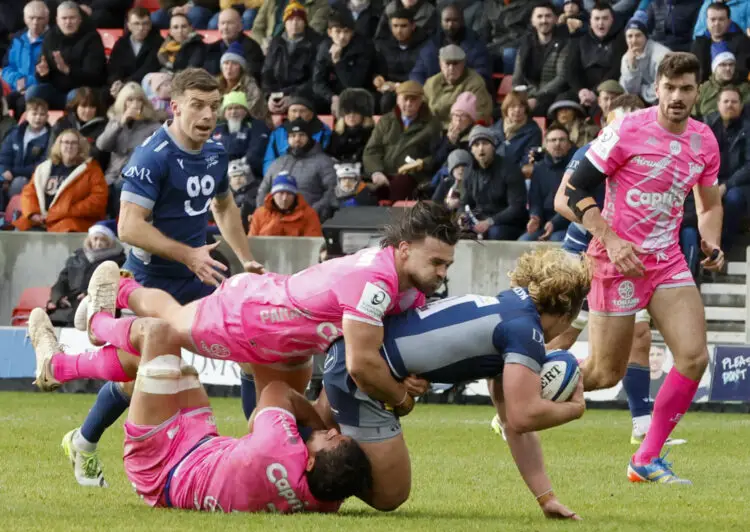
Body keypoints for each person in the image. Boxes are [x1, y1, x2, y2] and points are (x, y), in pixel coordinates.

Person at [35, 202, 458, 482]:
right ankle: (101, 322)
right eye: (436, 261)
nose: (442, 272)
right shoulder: (378, 279)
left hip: (289, 339)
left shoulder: (407, 286)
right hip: (253, 318)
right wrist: (401, 398)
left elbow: (384, 350)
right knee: (165, 331)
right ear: (404, 250)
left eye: (446, 264)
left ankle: (99, 321)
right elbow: (361, 362)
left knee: (290, 431)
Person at [59, 68, 263, 488]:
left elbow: (223, 206)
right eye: (198, 106)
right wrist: (187, 253)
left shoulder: (215, 153)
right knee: (140, 377)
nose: (208, 115)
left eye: (213, 106)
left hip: (197, 271)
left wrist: (246, 258)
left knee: (249, 348)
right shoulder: (152, 156)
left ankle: (259, 449)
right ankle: (83, 440)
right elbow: (130, 227)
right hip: (150, 280)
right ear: (175, 106)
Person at [320, 247, 591, 512]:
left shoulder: (513, 306)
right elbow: (523, 416)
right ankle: (297, 486)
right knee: (390, 495)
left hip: (349, 356)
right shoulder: (525, 332)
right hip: (362, 375)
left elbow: (512, 422)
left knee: (314, 430)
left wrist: (546, 498)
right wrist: (574, 409)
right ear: (567, 313)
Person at [29, 307, 371, 512]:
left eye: (329, 439)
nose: (331, 431)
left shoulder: (279, 449)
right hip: (201, 448)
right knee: (167, 373)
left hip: (161, 465)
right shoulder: (328, 497)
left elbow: (279, 391)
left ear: (309, 461)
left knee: (160, 336)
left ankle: (94, 324)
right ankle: (81, 435)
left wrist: (310, 422)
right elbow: (267, 425)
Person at [564, 52, 724, 483]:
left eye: (686, 88)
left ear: (697, 91)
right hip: (618, 263)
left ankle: (646, 458)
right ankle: (523, 382)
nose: (677, 97)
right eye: (669, 88)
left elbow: (708, 203)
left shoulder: (704, 141)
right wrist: (612, 241)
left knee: (693, 357)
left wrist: (711, 240)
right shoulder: (626, 129)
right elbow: (575, 188)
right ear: (657, 88)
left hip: (666, 260)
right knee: (602, 372)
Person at [14, 129, 108, 233]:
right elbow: (29, 193)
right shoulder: (44, 168)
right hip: (40, 219)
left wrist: (66, 211)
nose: (69, 146)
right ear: (59, 145)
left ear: (80, 146)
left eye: (74, 143)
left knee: (66, 230)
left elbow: (98, 199)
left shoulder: (92, 169)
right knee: (19, 229)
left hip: (71, 221)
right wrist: (33, 214)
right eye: (66, 142)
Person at [362, 80, 442, 201]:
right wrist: (376, 172)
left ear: (421, 101)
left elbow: (436, 155)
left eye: (413, 99)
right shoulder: (386, 120)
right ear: (398, 100)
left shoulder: (432, 124)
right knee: (362, 192)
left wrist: (420, 164)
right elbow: (371, 150)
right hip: (383, 174)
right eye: (405, 99)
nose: (409, 103)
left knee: (400, 185)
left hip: (413, 177)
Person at [96, 83, 165, 216]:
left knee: (123, 187)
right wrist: (120, 124)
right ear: (123, 102)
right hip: (112, 176)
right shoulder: (115, 122)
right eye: (130, 100)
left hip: (139, 177)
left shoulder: (153, 126)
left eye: (139, 100)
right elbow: (102, 145)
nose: (135, 104)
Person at [26, 1, 106, 110]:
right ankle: (38, 124)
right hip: (56, 90)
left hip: (82, 90)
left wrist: (68, 70)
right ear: (57, 20)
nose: (68, 22)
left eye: (72, 18)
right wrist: (42, 73)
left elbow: (94, 77)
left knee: (74, 96)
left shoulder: (92, 38)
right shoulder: (50, 37)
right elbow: (43, 75)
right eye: (64, 18)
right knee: (33, 92)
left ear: (80, 19)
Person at [257, 118, 337, 222]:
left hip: (309, 222)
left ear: (309, 137)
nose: (297, 139)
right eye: (293, 136)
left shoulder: (324, 162)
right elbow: (263, 190)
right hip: (275, 221)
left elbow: (332, 192)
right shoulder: (278, 162)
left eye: (302, 135)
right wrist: (266, 213)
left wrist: (311, 213)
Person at [45, 224, 126, 327]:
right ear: (89, 240)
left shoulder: (118, 261)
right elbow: (61, 281)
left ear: (110, 242)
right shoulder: (76, 259)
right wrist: (58, 298)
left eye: (103, 240)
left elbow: (115, 285)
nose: (98, 243)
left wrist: (89, 294)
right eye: (95, 239)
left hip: (96, 306)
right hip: (69, 305)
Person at [461, 125, 528, 241]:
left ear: (493, 147)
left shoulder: (510, 169)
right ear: (472, 150)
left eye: (485, 144)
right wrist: (462, 217)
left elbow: (516, 207)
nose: (481, 148)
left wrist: (490, 222)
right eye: (476, 145)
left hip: (509, 224)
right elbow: (465, 203)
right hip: (480, 221)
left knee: (495, 233)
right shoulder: (469, 172)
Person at [706, 87, 750, 256]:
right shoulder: (707, 125)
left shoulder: (747, 128)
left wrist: (726, 185)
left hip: (739, 183)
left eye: (734, 102)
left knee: (734, 198)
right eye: (726, 101)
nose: (730, 105)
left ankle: (724, 248)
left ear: (740, 105)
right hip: (711, 180)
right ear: (718, 105)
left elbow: (749, 165)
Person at [261, 3, 322, 115]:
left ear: (305, 22)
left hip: (304, 97)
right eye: (291, 19)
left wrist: (292, 97)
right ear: (285, 23)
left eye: (299, 19)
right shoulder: (276, 42)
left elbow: (315, 79)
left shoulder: (316, 43)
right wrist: (269, 97)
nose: (294, 23)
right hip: (277, 96)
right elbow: (266, 74)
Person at [312, 9, 376, 116]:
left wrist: (338, 62)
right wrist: (332, 97)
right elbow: (317, 82)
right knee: (308, 101)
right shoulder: (324, 49)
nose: (342, 36)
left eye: (346, 31)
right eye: (338, 31)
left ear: (352, 33)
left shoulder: (363, 48)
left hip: (358, 94)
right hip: (332, 94)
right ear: (329, 33)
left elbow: (354, 84)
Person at [512, 1, 571, 117]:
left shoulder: (565, 43)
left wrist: (537, 97)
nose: (544, 21)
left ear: (555, 19)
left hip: (552, 96)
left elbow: (561, 78)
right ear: (533, 21)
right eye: (539, 16)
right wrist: (520, 98)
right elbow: (517, 78)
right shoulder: (525, 44)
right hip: (528, 95)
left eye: (548, 16)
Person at [409, 3, 490, 86]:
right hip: (434, 94)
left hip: (466, 93)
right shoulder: (431, 46)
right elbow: (417, 73)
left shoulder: (476, 46)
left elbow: (482, 74)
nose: (450, 25)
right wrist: (426, 91)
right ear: (441, 22)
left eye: (455, 20)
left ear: (462, 21)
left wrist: (456, 91)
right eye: (447, 20)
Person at [566, 2, 626, 110]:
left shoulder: (620, 40)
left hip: (608, 90)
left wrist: (595, 92)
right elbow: (571, 69)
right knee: (563, 102)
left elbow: (616, 70)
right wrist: (580, 90)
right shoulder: (580, 39)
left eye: (605, 18)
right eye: (597, 19)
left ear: (612, 20)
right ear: (590, 21)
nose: (601, 23)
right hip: (582, 91)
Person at [520, 123, 573, 242]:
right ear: (546, 145)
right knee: (524, 241)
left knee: (555, 239)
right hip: (544, 224)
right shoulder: (539, 169)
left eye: (562, 140)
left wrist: (554, 223)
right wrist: (535, 217)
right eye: (553, 140)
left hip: (568, 225)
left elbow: (573, 204)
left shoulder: (575, 168)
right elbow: (535, 200)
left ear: (569, 145)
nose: (557, 143)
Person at [372, 8, 429, 114]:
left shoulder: (425, 45)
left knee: (388, 101)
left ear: (413, 26)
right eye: (395, 26)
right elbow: (378, 69)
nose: (399, 30)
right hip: (388, 88)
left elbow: (422, 73)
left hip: (415, 88)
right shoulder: (384, 45)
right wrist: (377, 78)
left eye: (403, 26)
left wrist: (398, 86)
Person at [423, 45, 492, 130]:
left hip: (463, 131)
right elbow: (421, 109)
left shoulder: (475, 83)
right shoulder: (431, 83)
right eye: (447, 63)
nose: (451, 68)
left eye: (456, 63)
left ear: (463, 64)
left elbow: (481, 114)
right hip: (432, 130)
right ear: (440, 64)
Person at [1, 0, 49, 118]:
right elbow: (7, 67)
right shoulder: (17, 38)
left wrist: (27, 83)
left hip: (39, 90)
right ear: (25, 18)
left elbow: (52, 74)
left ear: (47, 19)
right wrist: (17, 81)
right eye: (31, 18)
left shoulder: (52, 40)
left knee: (21, 103)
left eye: (40, 18)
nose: (35, 22)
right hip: (15, 88)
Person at [0, 97, 49, 211]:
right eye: (34, 113)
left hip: (31, 179)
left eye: (42, 114)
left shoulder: (49, 137)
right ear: (26, 115)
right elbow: (4, 156)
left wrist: (13, 172)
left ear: (47, 117)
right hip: (9, 174)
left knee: (19, 182)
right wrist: (5, 172)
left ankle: (12, 215)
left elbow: (42, 165)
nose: (38, 118)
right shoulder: (15, 132)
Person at [263, 96, 332, 174]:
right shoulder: (278, 132)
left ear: (311, 114)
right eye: (293, 111)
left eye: (302, 111)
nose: (297, 115)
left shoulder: (324, 132)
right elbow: (269, 160)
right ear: (288, 114)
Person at [107, 7, 164, 102]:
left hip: (146, 86)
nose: (141, 28)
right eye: (136, 24)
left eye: (145, 24)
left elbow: (149, 68)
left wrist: (126, 85)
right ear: (129, 25)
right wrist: (116, 82)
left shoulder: (158, 42)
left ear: (150, 25)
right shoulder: (121, 43)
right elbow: (113, 68)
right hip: (122, 85)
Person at [212, 91, 270, 181]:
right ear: (224, 113)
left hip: (249, 172)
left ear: (245, 111)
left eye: (237, 108)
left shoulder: (257, 125)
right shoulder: (217, 129)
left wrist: (242, 163)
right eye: (229, 108)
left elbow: (257, 148)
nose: (233, 112)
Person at [618, 11, 671, 106]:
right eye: (630, 36)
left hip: (663, 102)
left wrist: (642, 90)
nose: (633, 40)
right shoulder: (626, 58)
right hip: (641, 102)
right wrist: (632, 67)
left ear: (646, 37)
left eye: (638, 35)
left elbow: (664, 88)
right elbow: (629, 90)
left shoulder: (661, 55)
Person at [49, 87, 108, 169]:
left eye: (92, 107)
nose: (87, 111)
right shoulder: (62, 123)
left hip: (90, 171)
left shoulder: (104, 127)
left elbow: (100, 156)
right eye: (83, 106)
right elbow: (52, 151)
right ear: (75, 106)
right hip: (61, 170)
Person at [691, 2, 750, 84]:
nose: (717, 24)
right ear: (707, 21)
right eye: (713, 19)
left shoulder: (742, 42)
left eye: (721, 19)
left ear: (729, 21)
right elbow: (695, 74)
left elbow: (742, 72)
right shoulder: (699, 44)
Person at [249, 172, 323, 236]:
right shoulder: (260, 214)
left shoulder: (309, 214)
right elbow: (252, 243)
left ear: (295, 196)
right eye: (281, 193)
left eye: (289, 194)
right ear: (273, 194)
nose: (284, 198)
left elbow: (313, 245)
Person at [205, 8, 265, 83]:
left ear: (240, 26)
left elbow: (252, 76)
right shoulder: (212, 48)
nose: (225, 27)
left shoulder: (252, 48)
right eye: (222, 23)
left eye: (230, 23)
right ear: (218, 26)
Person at [216, 41, 267, 123]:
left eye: (234, 64)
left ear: (241, 68)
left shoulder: (249, 84)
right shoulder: (215, 84)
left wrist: (224, 113)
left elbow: (251, 111)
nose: (229, 68)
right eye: (226, 63)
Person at [693, 49, 750, 119]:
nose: (728, 68)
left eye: (731, 64)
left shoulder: (744, 88)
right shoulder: (704, 88)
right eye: (723, 65)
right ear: (715, 68)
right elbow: (693, 114)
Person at [491, 91, 542, 168]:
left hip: (517, 174)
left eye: (521, 106)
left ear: (525, 109)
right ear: (506, 109)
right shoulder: (495, 128)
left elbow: (528, 159)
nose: (517, 110)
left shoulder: (533, 131)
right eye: (513, 106)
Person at [252, 0, 330, 49]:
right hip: (268, 46)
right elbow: (256, 28)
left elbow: (313, 32)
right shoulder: (272, 1)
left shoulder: (320, 3)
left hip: (298, 50)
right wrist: (263, 43)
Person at [328, 88, 375, 164]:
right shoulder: (336, 135)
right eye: (348, 112)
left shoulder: (373, 135)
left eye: (356, 113)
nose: (351, 116)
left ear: (364, 115)